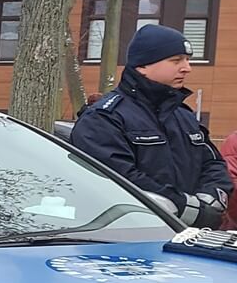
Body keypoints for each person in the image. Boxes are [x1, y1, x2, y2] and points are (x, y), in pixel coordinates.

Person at [71, 24, 231, 229]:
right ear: (142, 66)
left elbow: (213, 163)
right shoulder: (104, 118)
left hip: (190, 236)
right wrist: (185, 206)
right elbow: (116, 179)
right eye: (176, 60)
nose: (186, 68)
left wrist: (211, 198)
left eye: (187, 60)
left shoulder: (183, 115)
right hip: (125, 237)